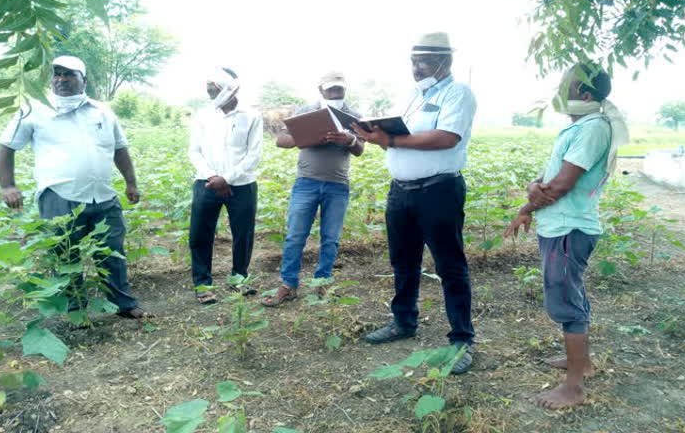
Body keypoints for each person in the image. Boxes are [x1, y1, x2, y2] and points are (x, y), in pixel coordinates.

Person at [503, 62, 628, 409]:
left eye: (566, 85)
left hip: (569, 230)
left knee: (566, 303)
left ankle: (573, 388)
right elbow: (547, 179)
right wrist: (529, 199)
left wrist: (533, 199)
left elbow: (560, 184)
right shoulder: (580, 127)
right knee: (572, 293)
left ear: (584, 94)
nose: (559, 90)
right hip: (562, 227)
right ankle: (582, 363)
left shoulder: (592, 128)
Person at [353, 32, 476, 375]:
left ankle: (462, 340)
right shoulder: (412, 96)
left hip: (438, 191)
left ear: (444, 60)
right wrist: (376, 137)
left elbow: (445, 137)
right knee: (403, 262)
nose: (415, 66)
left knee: (449, 266)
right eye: (412, 60)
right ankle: (403, 322)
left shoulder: (458, 93)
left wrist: (390, 137)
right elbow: (401, 142)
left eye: (422, 60)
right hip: (401, 192)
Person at [0, 55, 149, 320]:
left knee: (112, 251)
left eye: (69, 74)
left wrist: (131, 182)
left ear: (84, 80)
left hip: (103, 195)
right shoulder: (34, 109)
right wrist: (8, 185)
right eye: (56, 74)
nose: (61, 79)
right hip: (59, 195)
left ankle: (123, 304)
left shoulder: (102, 111)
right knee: (65, 255)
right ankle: (76, 310)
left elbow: (120, 149)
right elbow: (6, 147)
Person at [262, 71, 364, 306]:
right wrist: (310, 137)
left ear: (345, 90)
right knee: (295, 236)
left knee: (331, 238)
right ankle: (288, 285)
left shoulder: (353, 116)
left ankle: (322, 283)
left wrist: (348, 140)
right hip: (306, 183)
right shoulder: (306, 111)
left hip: (338, 184)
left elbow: (359, 149)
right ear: (321, 90)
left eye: (339, 89)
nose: (335, 93)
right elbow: (281, 141)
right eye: (331, 89)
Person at [188, 68, 263, 304]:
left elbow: (254, 155)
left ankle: (239, 279)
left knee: (243, 234)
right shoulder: (203, 115)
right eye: (209, 91)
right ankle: (202, 284)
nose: (212, 95)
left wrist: (227, 178)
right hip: (206, 184)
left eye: (215, 90)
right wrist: (213, 177)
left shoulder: (251, 116)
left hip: (241, 186)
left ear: (232, 89)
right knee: (200, 234)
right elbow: (194, 151)